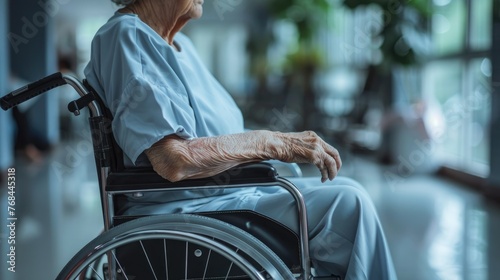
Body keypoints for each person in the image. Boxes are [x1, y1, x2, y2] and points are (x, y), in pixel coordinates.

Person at [84, 0, 397, 278]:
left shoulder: (182, 46)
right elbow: (173, 159)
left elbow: (218, 134)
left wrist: (281, 144)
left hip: (224, 194)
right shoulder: (127, 35)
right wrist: (275, 143)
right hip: (186, 210)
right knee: (347, 205)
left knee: (349, 189)